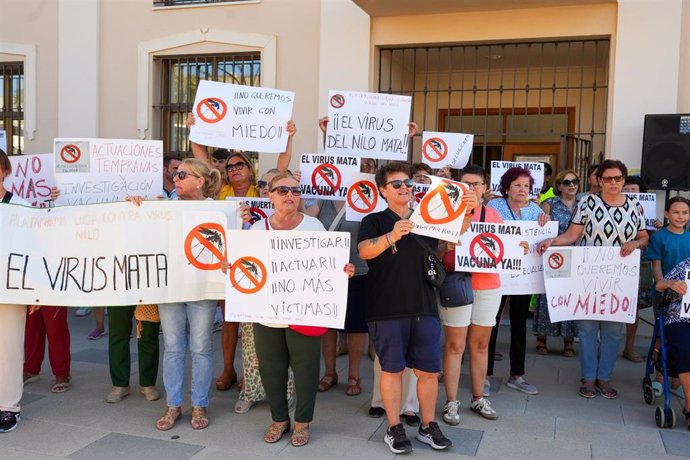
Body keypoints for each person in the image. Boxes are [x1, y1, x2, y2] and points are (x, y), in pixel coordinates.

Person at [358, 161, 474, 453]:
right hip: (386, 308)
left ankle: (427, 425)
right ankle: (394, 427)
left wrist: (468, 209)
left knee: (427, 372)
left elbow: (454, 235)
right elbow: (364, 251)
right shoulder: (374, 220)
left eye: (408, 183)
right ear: (383, 190)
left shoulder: (426, 217)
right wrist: (392, 235)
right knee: (392, 371)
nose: (404, 188)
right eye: (396, 184)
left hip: (424, 307)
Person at [131, 158, 249, 431]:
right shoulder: (163, 207)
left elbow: (236, 246)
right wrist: (136, 208)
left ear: (200, 180)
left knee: (200, 348)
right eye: (175, 174)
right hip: (170, 287)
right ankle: (173, 405)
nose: (176, 178)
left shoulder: (221, 210)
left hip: (202, 288)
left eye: (183, 174)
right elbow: (142, 232)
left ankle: (199, 404)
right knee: (173, 348)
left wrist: (241, 221)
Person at [188, 113, 295, 392]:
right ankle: (227, 370)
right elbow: (200, 159)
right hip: (224, 261)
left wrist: (289, 137)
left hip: (256, 262)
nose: (234, 169)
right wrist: (195, 128)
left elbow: (282, 169)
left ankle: (252, 372)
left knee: (252, 322)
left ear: (249, 169)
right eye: (231, 166)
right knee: (230, 321)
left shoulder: (261, 192)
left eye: (240, 165)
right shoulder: (219, 189)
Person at [250, 172, 354, 447]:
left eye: (295, 191)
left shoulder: (313, 227)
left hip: (303, 312)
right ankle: (279, 419)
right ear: (269, 195)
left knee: (306, 368)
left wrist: (342, 270)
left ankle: (303, 422)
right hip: (267, 312)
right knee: (271, 369)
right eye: (282, 190)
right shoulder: (256, 230)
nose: (290, 196)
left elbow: (328, 266)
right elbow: (247, 265)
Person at [538, 159, 648, 399]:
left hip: (618, 279)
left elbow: (644, 237)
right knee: (587, 329)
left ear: (624, 180)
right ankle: (588, 378)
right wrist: (551, 242)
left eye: (618, 178)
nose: (613, 183)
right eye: (607, 178)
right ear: (599, 180)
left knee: (611, 331)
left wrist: (635, 243)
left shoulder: (634, 207)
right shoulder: (587, 203)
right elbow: (572, 235)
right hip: (588, 277)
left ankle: (604, 378)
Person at [439, 164, 503, 425]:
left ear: (486, 188)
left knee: (480, 345)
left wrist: (517, 246)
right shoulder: (447, 211)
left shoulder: (494, 215)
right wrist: (447, 243)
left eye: (476, 184)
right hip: (458, 284)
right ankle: (451, 401)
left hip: (488, 284)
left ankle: (478, 397)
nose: (471, 189)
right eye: (466, 184)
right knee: (455, 346)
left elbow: (503, 245)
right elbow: (438, 250)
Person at [233, 167, 296, 414]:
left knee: (286, 350)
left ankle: (285, 393)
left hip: (290, 295)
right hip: (258, 295)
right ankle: (250, 392)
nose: (265, 188)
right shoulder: (255, 225)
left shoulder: (304, 222)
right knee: (252, 347)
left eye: (287, 188)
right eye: (266, 184)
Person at [486, 167, 549, 396]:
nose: (522, 189)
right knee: (490, 322)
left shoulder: (535, 210)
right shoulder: (494, 206)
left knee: (520, 323)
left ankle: (517, 374)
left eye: (526, 186)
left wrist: (546, 225)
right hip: (498, 274)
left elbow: (543, 237)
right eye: (517, 185)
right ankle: (485, 374)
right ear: (507, 186)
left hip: (524, 277)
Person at [0, 148, 34, 433]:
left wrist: (33, 291)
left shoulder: (20, 206)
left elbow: (32, 251)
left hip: (10, 290)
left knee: (8, 349)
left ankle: (8, 407)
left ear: (5, 172)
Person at [533, 169, 580, 356]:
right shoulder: (549, 204)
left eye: (575, 181)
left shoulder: (584, 204)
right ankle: (542, 337)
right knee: (548, 296)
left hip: (576, 256)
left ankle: (568, 340)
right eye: (567, 182)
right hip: (553, 254)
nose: (572, 185)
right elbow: (541, 228)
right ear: (559, 186)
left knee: (571, 297)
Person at [647, 196, 690, 398]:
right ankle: (658, 378)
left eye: (685, 212)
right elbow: (657, 270)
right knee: (661, 336)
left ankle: (676, 377)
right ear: (666, 214)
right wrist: (664, 287)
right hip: (665, 294)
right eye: (676, 212)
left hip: (686, 298)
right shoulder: (659, 237)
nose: (680, 216)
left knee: (680, 339)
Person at [653, 256, 690, 429]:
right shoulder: (686, 264)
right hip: (680, 320)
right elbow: (659, 285)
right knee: (685, 350)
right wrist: (672, 284)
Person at [105, 304, 161, 404]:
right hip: (119, 292)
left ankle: (148, 383)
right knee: (118, 334)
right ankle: (120, 384)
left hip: (146, 292)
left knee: (149, 334)